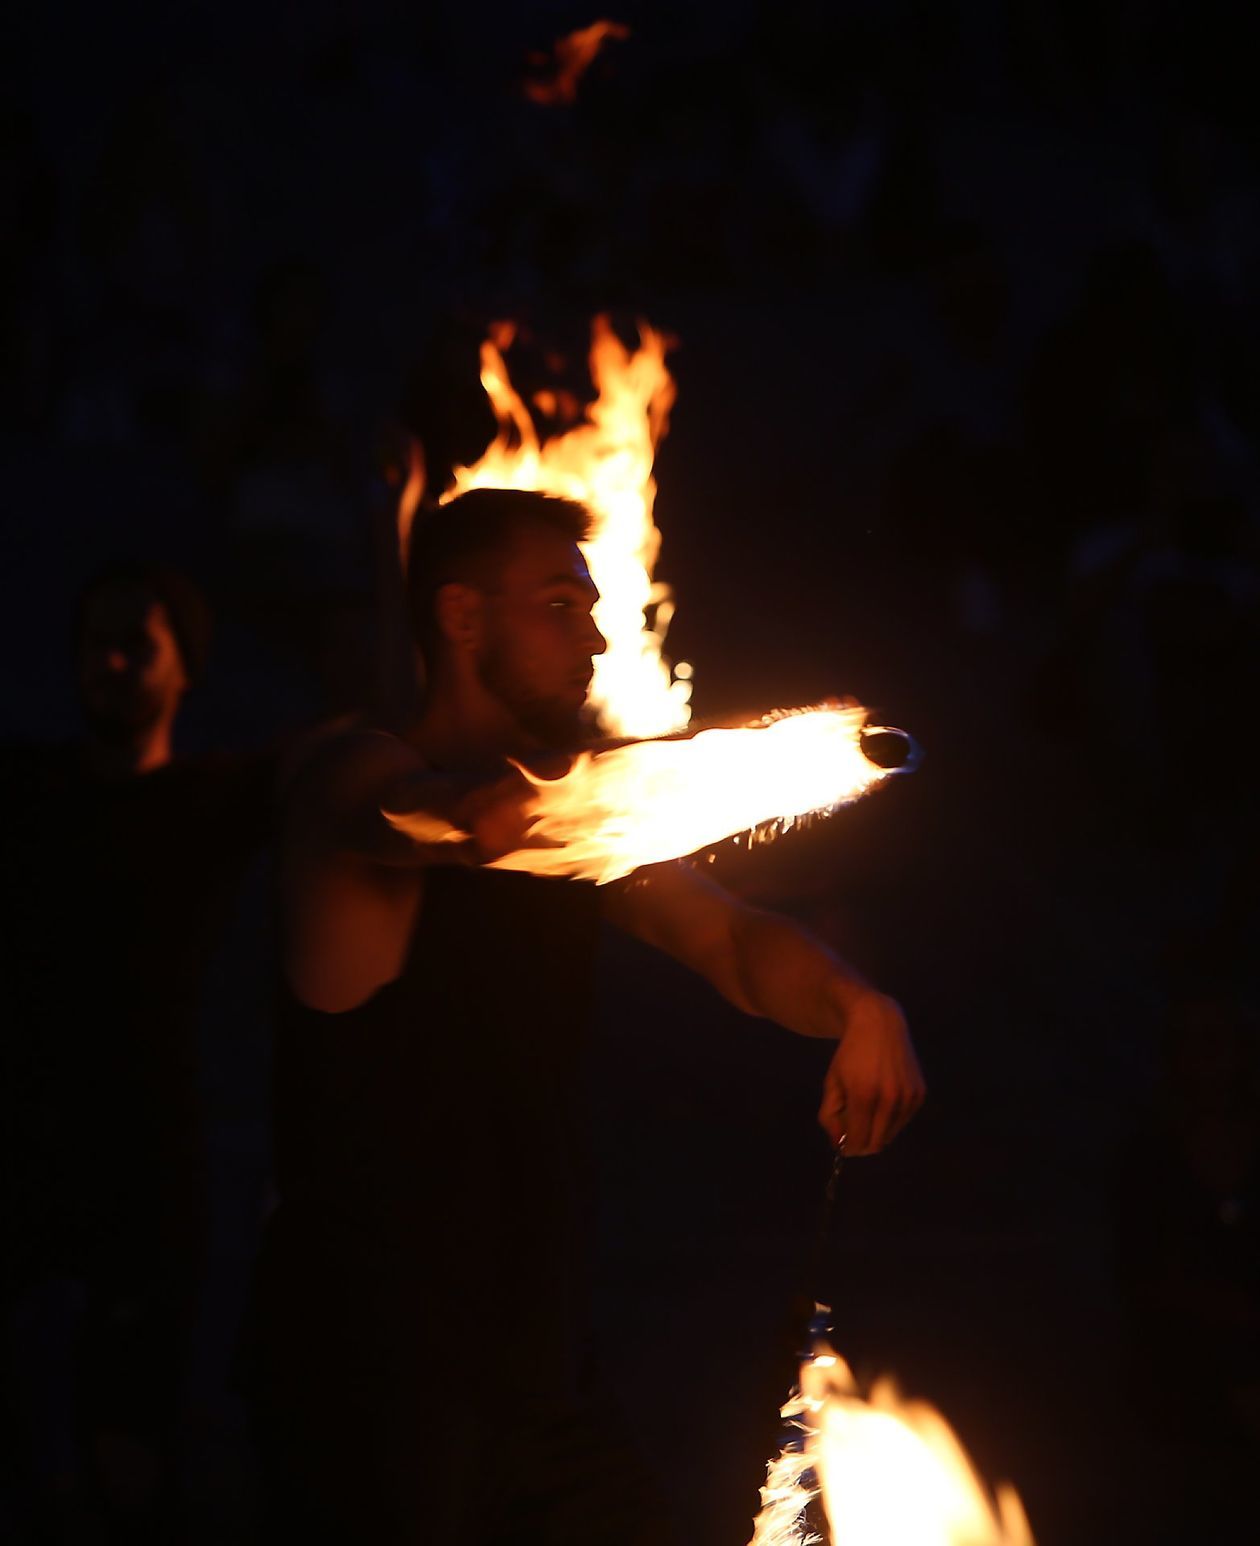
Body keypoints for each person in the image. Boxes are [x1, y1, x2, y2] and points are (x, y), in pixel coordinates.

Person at [243, 487, 925, 1545]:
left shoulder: (582, 834)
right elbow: (436, 822)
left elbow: (734, 940)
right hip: (372, 1380)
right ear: (463, 618)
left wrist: (856, 1001)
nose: (598, 637)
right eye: (562, 604)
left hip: (539, 1377)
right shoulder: (352, 775)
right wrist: (575, 795)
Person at [0, 563, 275, 1543]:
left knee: (132, 1465)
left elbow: (378, 741)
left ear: (185, 666)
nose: (112, 663)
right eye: (96, 644)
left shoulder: (217, 798)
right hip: (19, 1164)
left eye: (138, 643)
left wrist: (394, 518)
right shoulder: (23, 792)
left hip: (152, 1177)